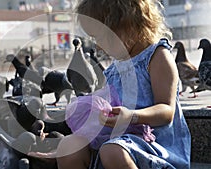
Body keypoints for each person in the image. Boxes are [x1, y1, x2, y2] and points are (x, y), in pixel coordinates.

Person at [55, 0, 191, 169]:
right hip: (117, 142)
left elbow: (166, 110)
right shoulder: (114, 69)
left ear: (126, 26)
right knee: (69, 147)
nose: (97, 46)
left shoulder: (157, 57)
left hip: (154, 147)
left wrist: (132, 116)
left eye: (100, 37)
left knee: (112, 151)